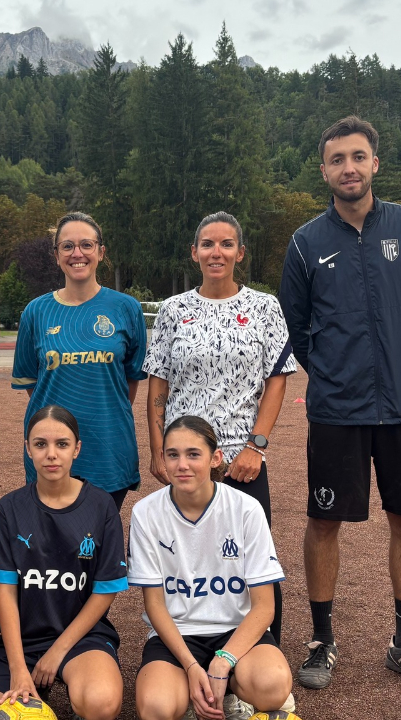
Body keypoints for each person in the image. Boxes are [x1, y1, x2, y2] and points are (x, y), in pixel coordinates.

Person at [278, 115, 401, 695]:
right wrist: (332, 371)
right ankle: (321, 640)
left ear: (375, 162)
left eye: (357, 157)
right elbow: (297, 326)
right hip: (337, 409)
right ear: (323, 170)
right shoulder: (305, 242)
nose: (348, 168)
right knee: (324, 521)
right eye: (337, 160)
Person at [142, 211, 295, 644]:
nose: (217, 252)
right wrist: (158, 450)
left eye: (226, 244)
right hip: (186, 458)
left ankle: (260, 652)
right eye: (207, 244)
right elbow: (158, 383)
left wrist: (256, 446)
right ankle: (185, 646)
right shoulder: (173, 310)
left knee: (251, 560)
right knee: (187, 557)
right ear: (194, 253)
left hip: (241, 460)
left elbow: (277, 378)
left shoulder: (265, 307)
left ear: (240, 253)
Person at [0, 405, 127, 720]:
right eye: (40, 444)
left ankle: (75, 692)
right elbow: (6, 592)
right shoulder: (10, 508)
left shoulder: (101, 506)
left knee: (101, 703)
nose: (51, 454)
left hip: (82, 639)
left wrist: (56, 652)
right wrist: (18, 668)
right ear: (28, 449)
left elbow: (105, 591)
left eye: (62, 444)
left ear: (77, 449)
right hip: (23, 641)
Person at [128, 416, 292, 720]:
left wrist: (223, 661)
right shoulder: (145, 513)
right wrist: (191, 666)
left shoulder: (246, 508)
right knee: (155, 708)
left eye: (193, 454)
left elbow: (265, 607)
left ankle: (230, 691)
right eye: (173, 454)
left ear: (215, 458)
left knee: (272, 687)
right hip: (178, 633)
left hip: (235, 630)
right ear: (162, 458)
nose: (182, 465)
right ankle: (193, 689)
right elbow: (155, 605)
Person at [11, 213, 148, 511]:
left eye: (86, 244)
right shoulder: (36, 312)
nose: (77, 253)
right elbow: (33, 386)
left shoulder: (127, 308)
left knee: (99, 534)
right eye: (67, 246)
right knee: (50, 536)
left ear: (101, 251)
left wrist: (102, 411)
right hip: (51, 450)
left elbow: (129, 381)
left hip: (108, 448)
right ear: (56, 255)